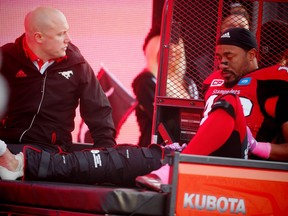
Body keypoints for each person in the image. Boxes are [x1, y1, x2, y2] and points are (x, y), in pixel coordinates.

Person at [136, 27, 288, 191]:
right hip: (208, 159)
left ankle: (173, 172)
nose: (222, 63)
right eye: (219, 57)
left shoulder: (274, 82)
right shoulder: (213, 81)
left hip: (245, 164)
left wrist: (256, 146)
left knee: (229, 101)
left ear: (251, 55)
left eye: (229, 57)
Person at [0, 6, 116, 153]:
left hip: (51, 151)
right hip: (5, 146)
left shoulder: (77, 64)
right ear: (39, 37)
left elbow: (98, 111)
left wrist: (106, 153)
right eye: (61, 34)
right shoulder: (6, 58)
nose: (69, 39)